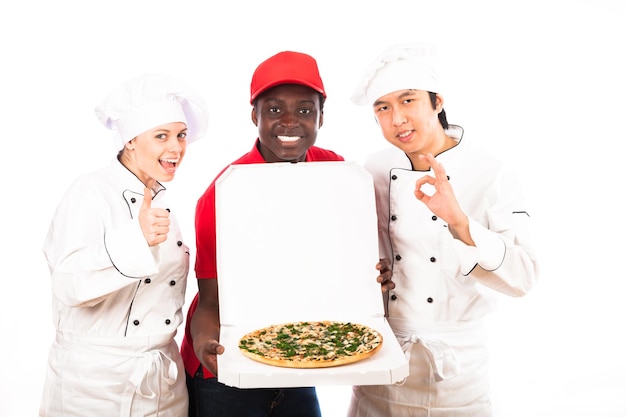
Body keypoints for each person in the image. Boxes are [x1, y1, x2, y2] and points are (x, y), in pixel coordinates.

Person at [346, 43, 540, 416]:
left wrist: (460, 223)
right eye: (383, 108)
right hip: (382, 359)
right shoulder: (374, 168)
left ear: (437, 103)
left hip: (458, 373)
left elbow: (524, 278)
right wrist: (374, 275)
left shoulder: (490, 172)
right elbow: (362, 250)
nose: (397, 118)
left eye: (408, 101)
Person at [180, 50, 359, 417]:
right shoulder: (223, 193)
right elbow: (210, 299)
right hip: (225, 366)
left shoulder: (336, 173)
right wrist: (206, 343)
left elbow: (348, 256)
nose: (290, 122)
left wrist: (375, 274)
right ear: (254, 116)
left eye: (305, 110)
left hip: (294, 351)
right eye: (274, 109)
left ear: (321, 117)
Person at [39, 73, 209, 417]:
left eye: (181, 135)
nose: (176, 147)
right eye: (161, 136)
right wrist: (136, 239)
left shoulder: (160, 200)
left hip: (163, 383)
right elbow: (69, 283)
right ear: (130, 140)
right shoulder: (90, 192)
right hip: (93, 388)